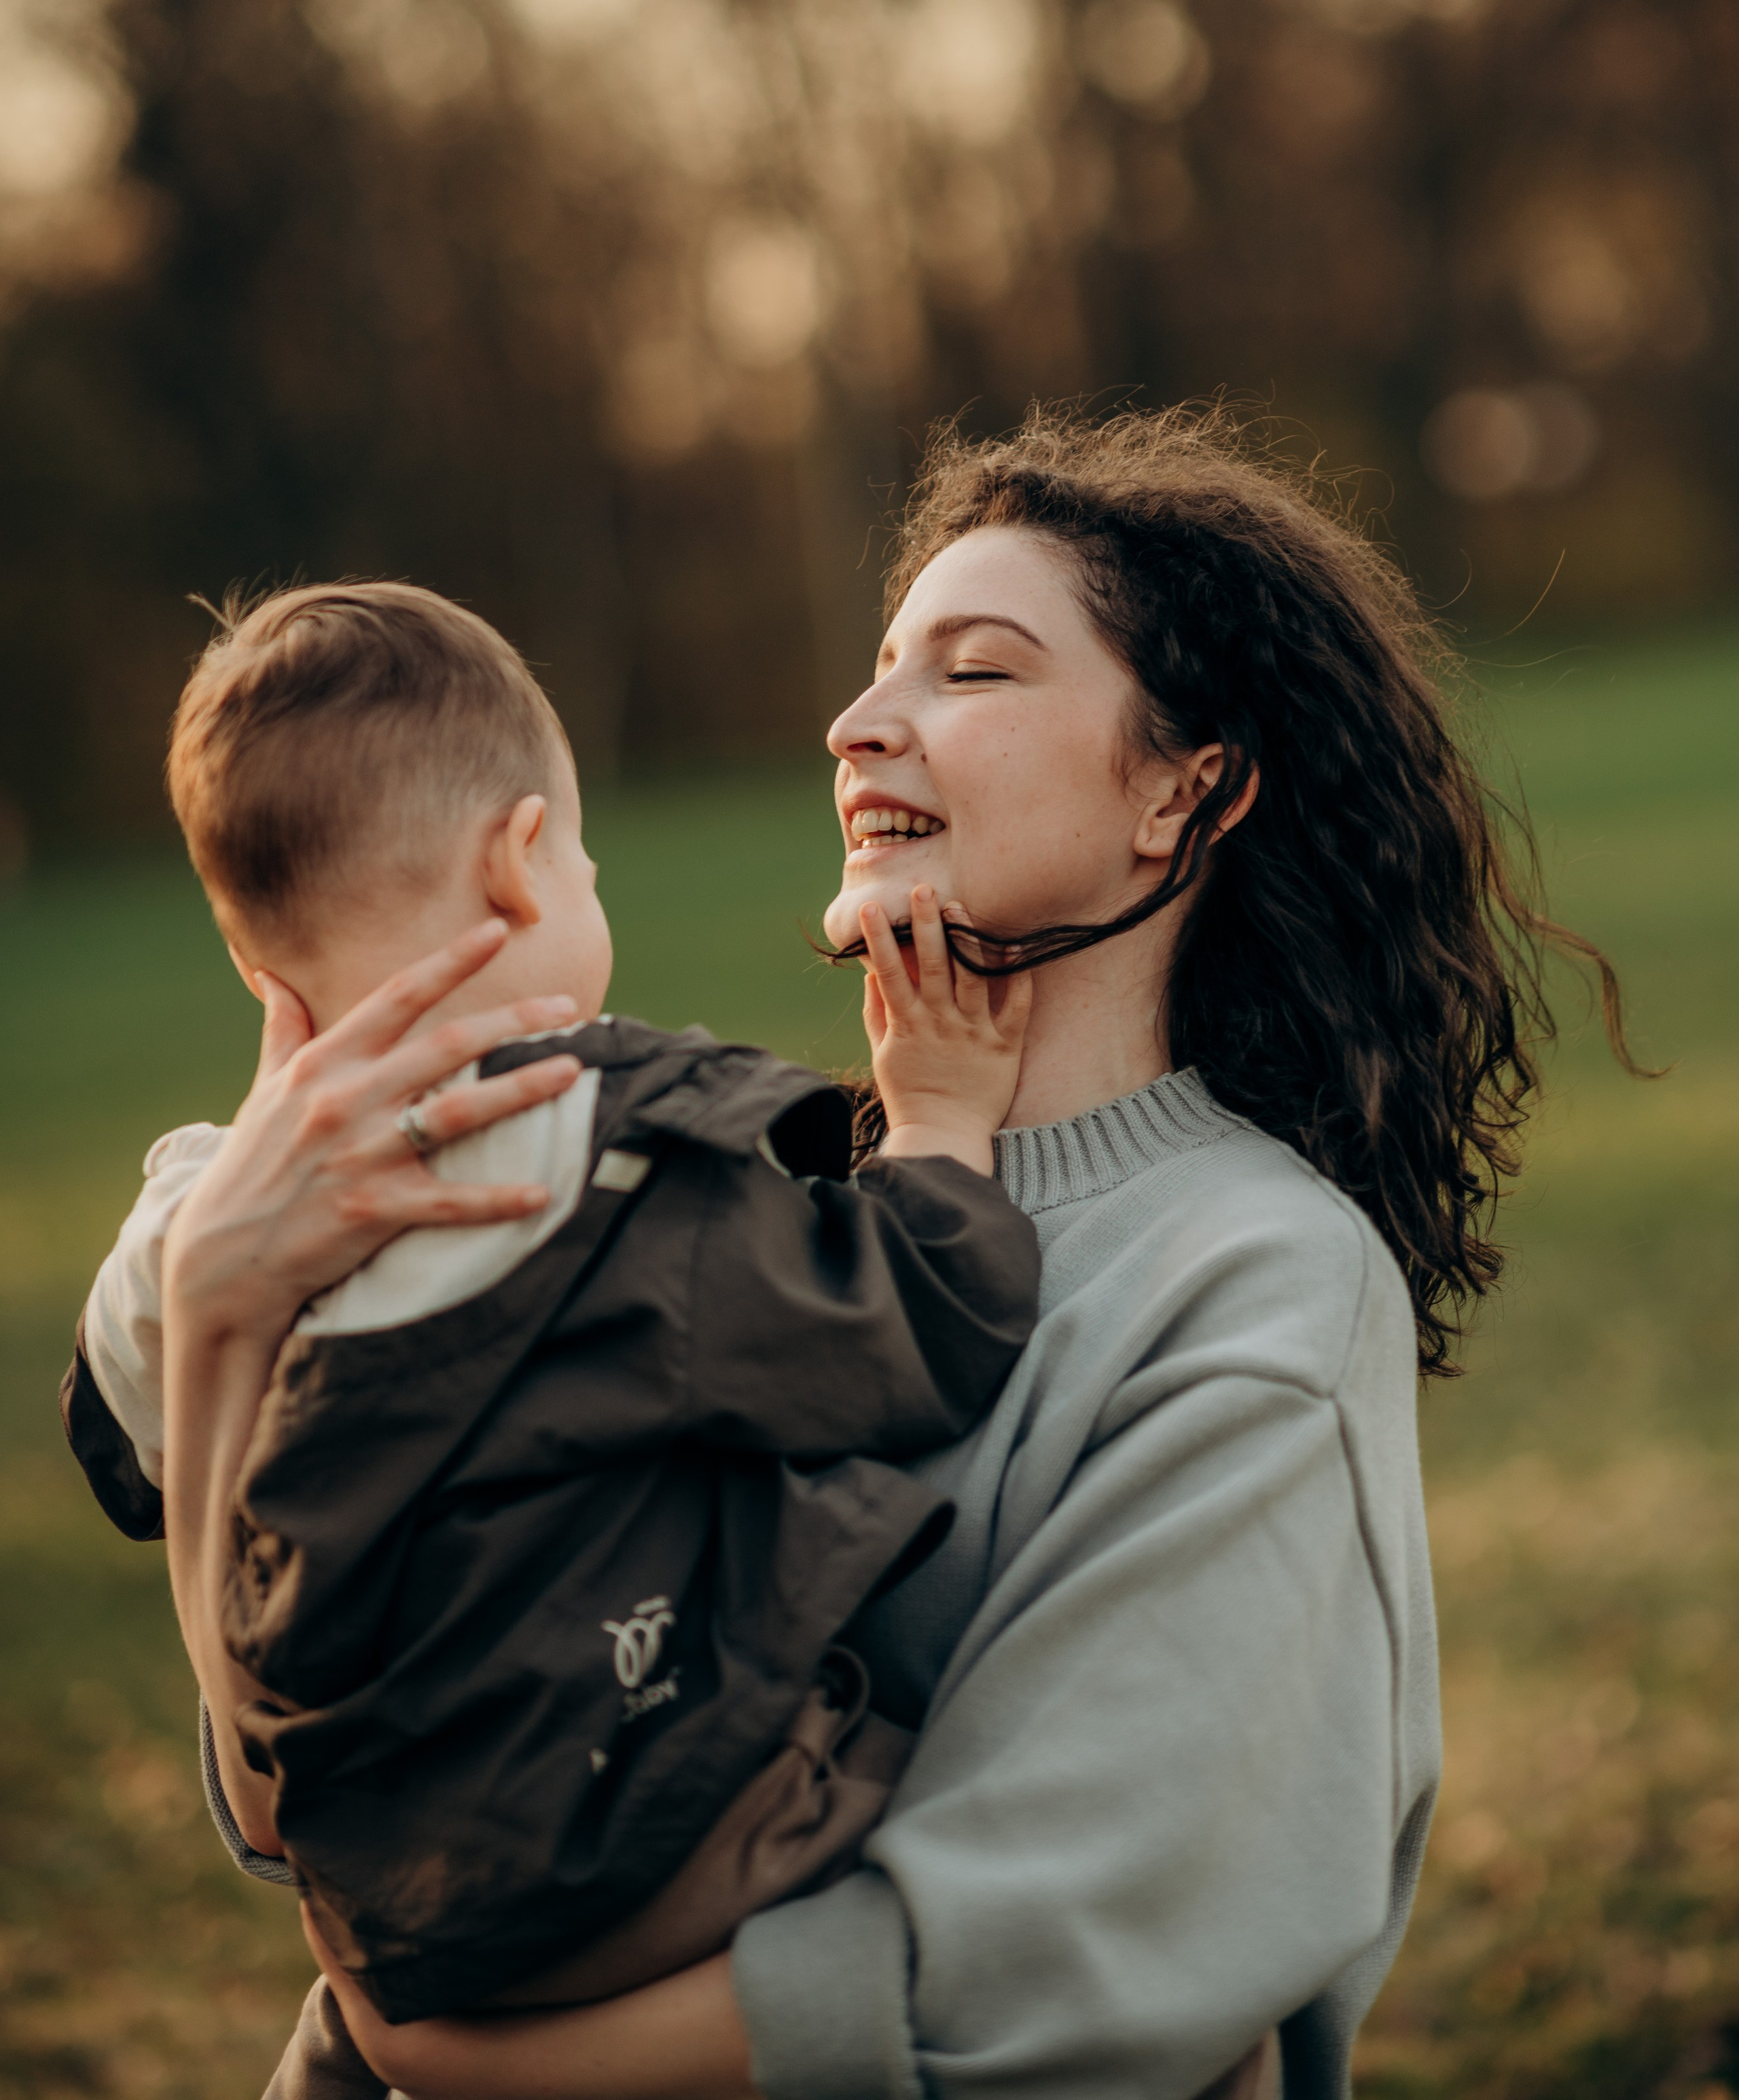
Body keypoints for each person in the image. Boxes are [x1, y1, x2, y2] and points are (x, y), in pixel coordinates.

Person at [143, 409, 1631, 2100]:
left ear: (1181, 789)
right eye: (874, 669)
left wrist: (470, 2060)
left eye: (970, 670)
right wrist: (218, 1318)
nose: (855, 726)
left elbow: (1061, 1955)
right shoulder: (746, 1215)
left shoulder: (1250, 1278)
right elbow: (298, 1791)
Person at [62, 582, 1039, 2098]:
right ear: (519, 865)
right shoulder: (612, 1169)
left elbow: (128, 1451)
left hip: (411, 1921)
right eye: (581, 858)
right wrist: (940, 1120)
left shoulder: (181, 1230)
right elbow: (926, 1322)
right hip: (677, 1857)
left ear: (262, 970)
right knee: (1005, 1829)